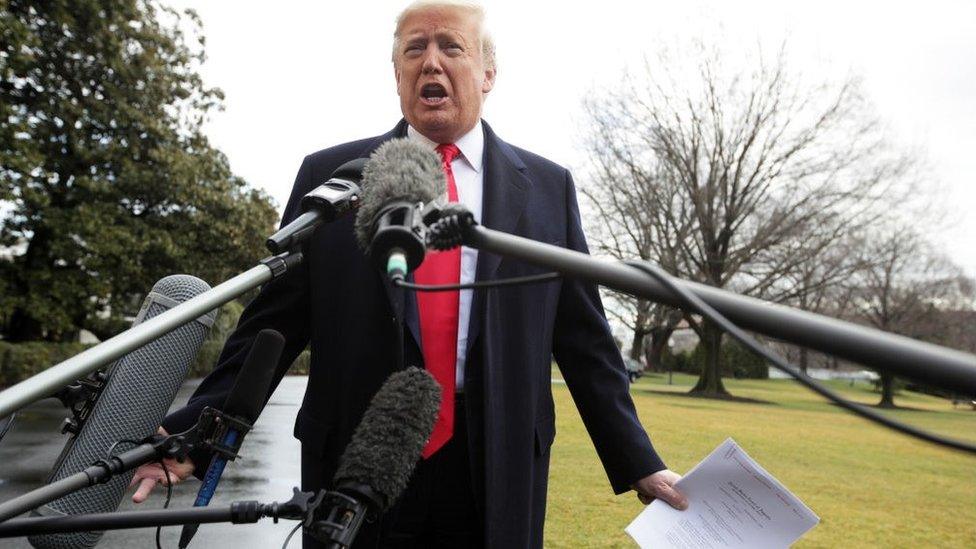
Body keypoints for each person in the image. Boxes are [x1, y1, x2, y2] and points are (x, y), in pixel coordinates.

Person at [130, 1, 687, 546]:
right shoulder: (334, 177)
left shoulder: (545, 189)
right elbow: (272, 326)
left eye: (452, 47)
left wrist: (638, 461)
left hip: (496, 457)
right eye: (414, 48)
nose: (432, 62)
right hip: (358, 454)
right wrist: (194, 433)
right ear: (396, 72)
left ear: (488, 72)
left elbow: (584, 339)